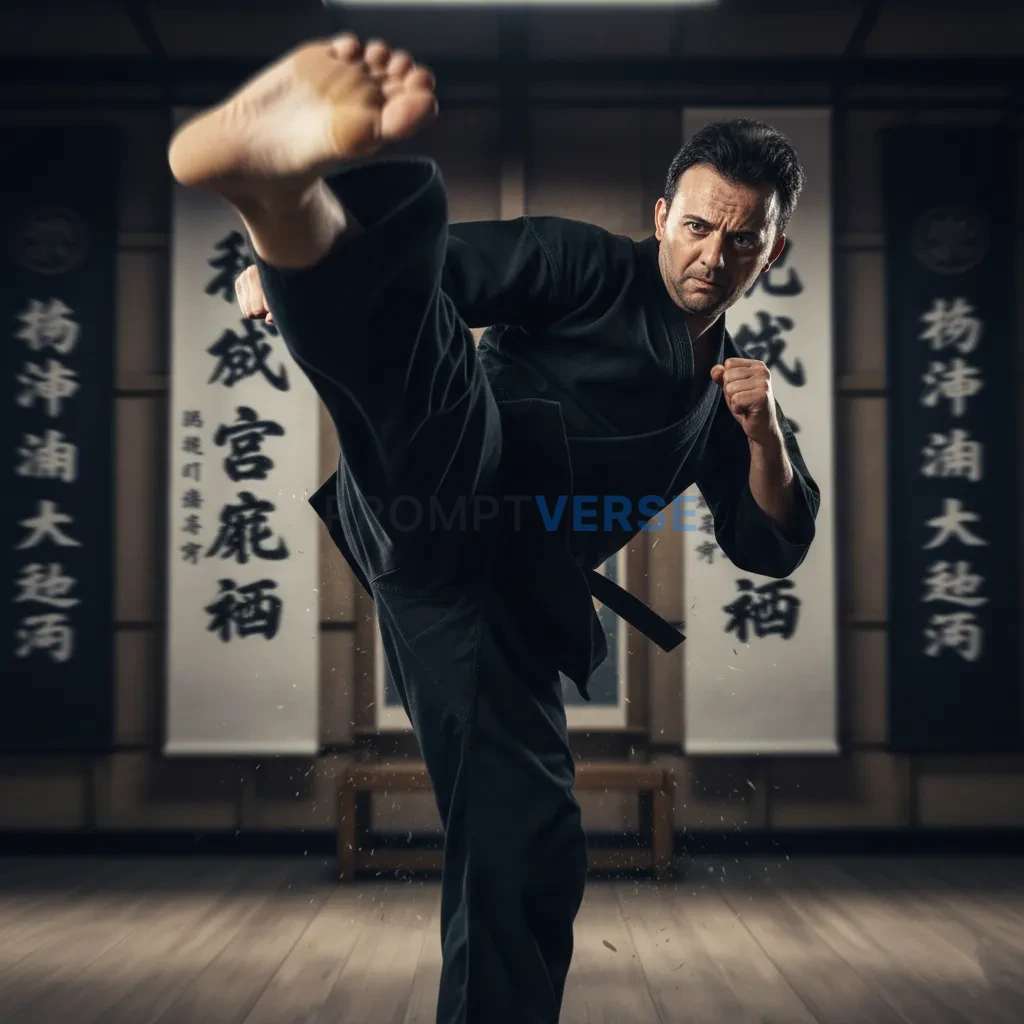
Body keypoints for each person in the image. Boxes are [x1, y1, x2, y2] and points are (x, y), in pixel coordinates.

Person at [169, 32, 819, 1024]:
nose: (711, 254)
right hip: (446, 491)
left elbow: (769, 544)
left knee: (530, 845)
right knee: (426, 374)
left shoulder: (730, 404)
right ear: (661, 217)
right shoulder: (585, 264)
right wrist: (296, 275)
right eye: (695, 226)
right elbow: (446, 270)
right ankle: (284, 200)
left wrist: (765, 432)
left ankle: (286, 211)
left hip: (508, 609)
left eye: (740, 239)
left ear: (772, 248)